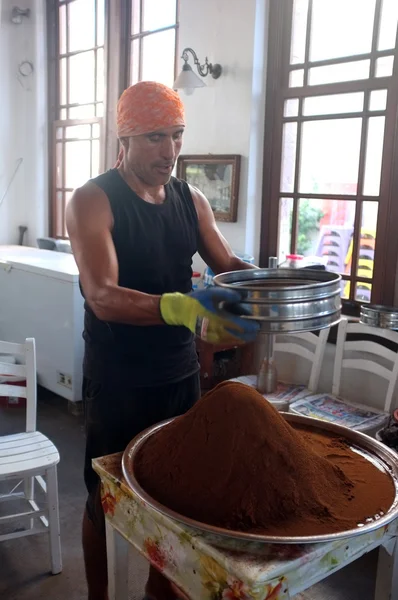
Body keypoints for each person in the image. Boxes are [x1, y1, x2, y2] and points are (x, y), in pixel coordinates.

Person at [66, 80, 259, 600]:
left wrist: (278, 286)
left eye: (176, 136)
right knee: (103, 498)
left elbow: (228, 267)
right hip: (119, 378)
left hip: (179, 376)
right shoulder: (92, 200)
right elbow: (102, 295)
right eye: (155, 138)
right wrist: (180, 307)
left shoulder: (189, 199)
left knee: (173, 495)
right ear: (124, 140)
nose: (169, 151)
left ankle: (159, 590)